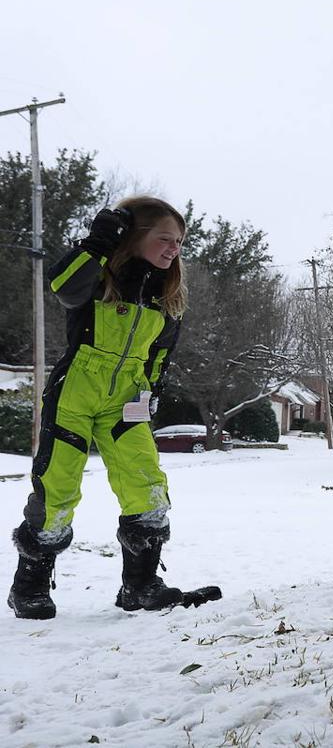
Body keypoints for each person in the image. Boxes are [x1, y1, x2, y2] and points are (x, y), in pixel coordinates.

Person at [9, 197, 221, 619]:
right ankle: (29, 587)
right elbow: (62, 285)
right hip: (76, 391)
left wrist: (152, 390)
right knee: (58, 487)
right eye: (165, 238)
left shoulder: (166, 296)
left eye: (179, 241)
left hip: (128, 398)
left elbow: (159, 353)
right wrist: (99, 240)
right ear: (135, 236)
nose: (174, 248)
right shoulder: (97, 277)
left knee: (147, 484)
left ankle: (140, 587)